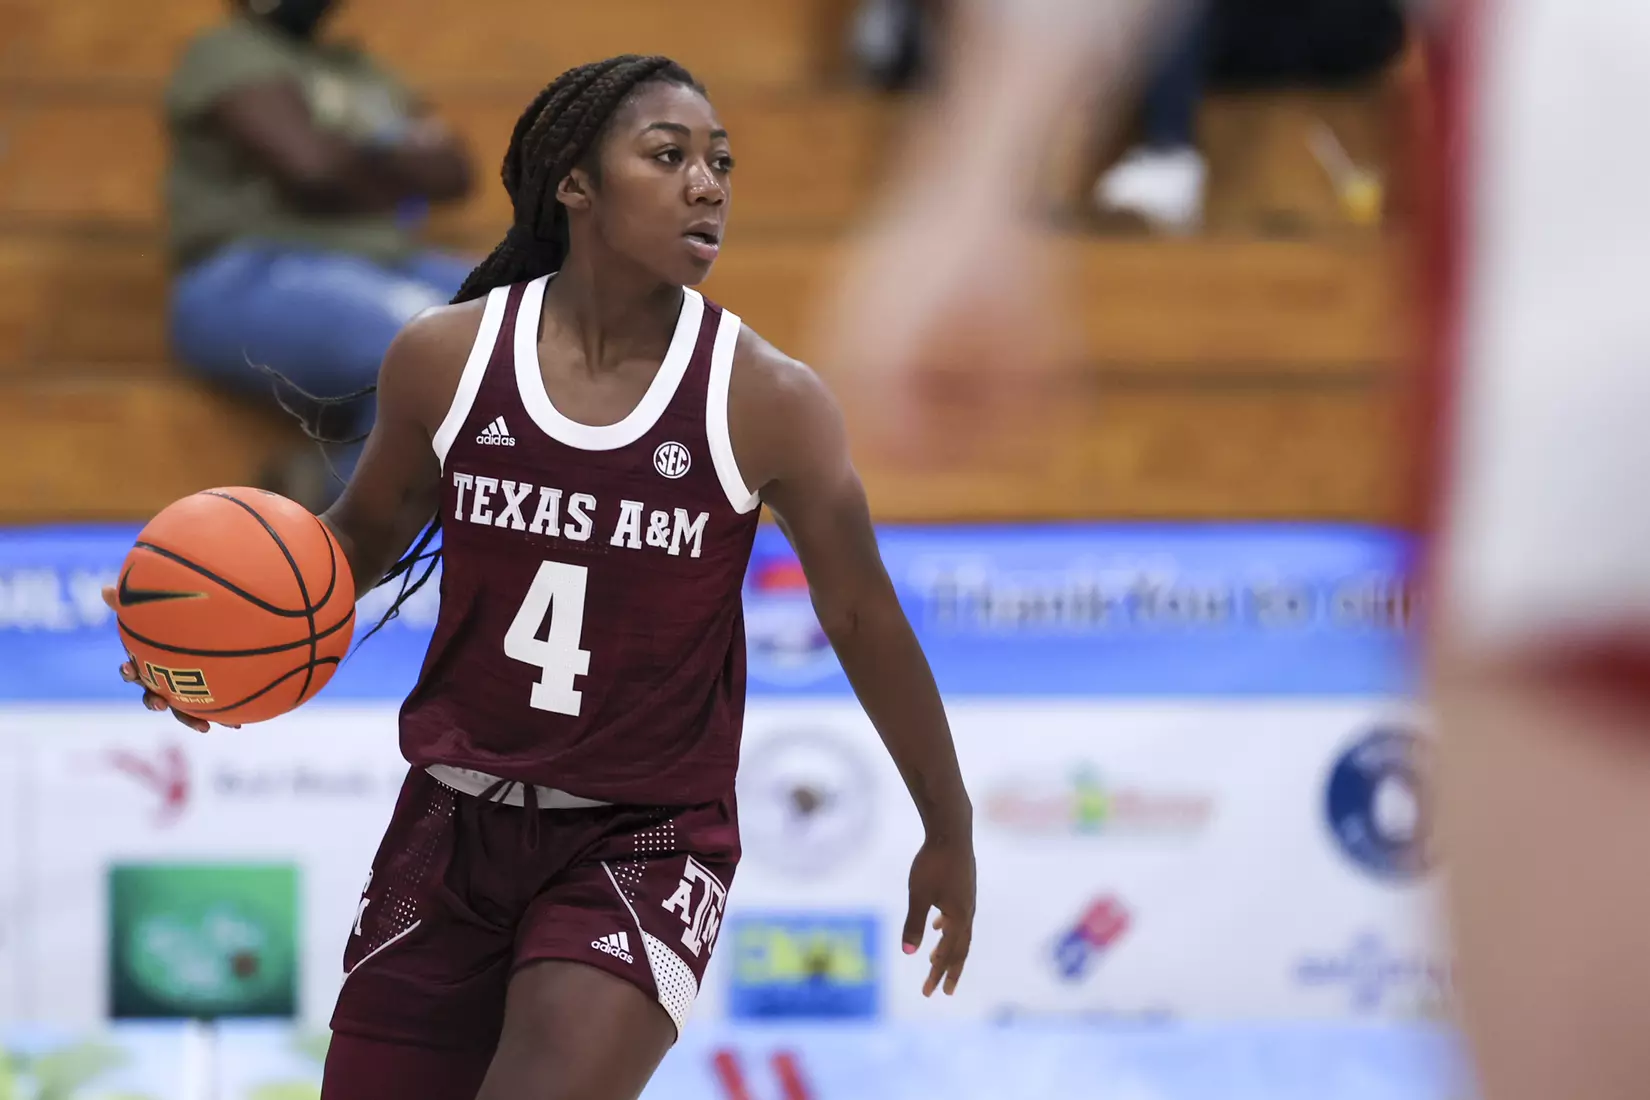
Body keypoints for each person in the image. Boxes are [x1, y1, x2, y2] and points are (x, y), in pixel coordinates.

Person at [113, 53, 976, 1100]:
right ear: (575, 182)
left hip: (646, 834)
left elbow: (860, 611)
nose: (708, 184)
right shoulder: (446, 358)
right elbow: (357, 537)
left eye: (721, 163)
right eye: (669, 156)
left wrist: (950, 823)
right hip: (450, 821)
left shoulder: (767, 398)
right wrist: (199, 641)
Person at [164, 0, 475, 507]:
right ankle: (322, 511)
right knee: (429, 352)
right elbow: (311, 168)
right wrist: (393, 158)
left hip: (386, 265)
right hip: (248, 275)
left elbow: (455, 173)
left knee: (545, 325)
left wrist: (344, 157)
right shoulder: (227, 51)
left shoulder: (359, 68)